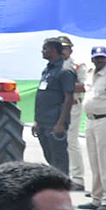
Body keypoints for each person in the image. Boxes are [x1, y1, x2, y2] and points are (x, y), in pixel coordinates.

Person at [36, 37, 76, 175]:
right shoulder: (47, 70)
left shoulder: (65, 71)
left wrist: (61, 123)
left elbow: (68, 98)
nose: (42, 51)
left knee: (59, 159)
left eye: (45, 48)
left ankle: (61, 188)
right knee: (50, 158)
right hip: (43, 122)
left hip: (54, 122)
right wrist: (37, 121)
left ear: (53, 50)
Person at [80, 46, 106, 210]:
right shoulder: (90, 73)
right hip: (90, 120)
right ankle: (96, 198)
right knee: (94, 161)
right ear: (92, 59)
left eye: (102, 58)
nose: (100, 60)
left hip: (105, 119)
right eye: (97, 57)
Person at [59, 36, 86, 193]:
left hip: (73, 106)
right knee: (58, 142)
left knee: (71, 141)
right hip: (58, 106)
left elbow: (84, 85)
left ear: (70, 49)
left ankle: (78, 178)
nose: (63, 51)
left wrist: (65, 85)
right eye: (60, 48)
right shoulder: (54, 65)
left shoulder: (77, 66)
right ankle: (63, 175)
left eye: (65, 48)